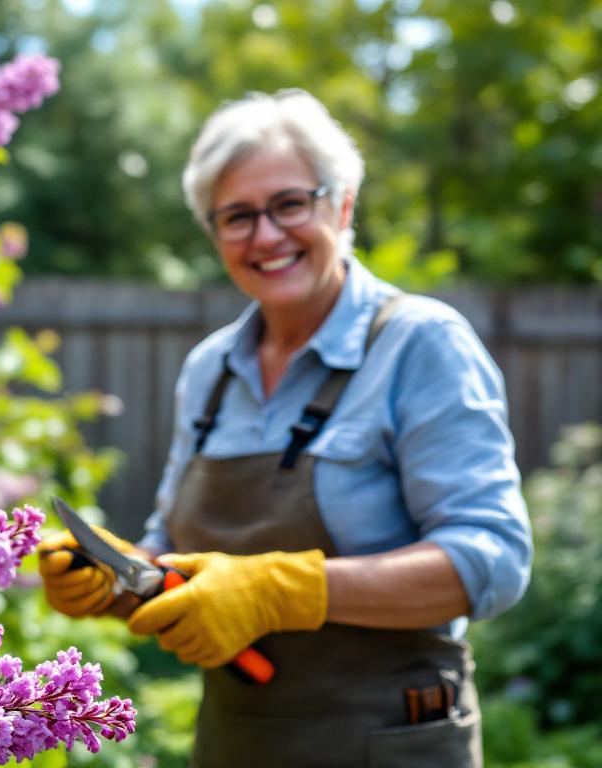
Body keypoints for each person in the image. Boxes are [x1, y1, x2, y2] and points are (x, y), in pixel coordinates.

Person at [38, 89, 532, 768]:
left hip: (390, 742)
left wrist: (280, 590)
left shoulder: (420, 344)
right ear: (214, 236)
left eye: (290, 204)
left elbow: (493, 560)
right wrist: (117, 583)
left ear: (344, 205)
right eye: (237, 217)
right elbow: (177, 558)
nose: (265, 236)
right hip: (237, 743)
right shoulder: (210, 370)